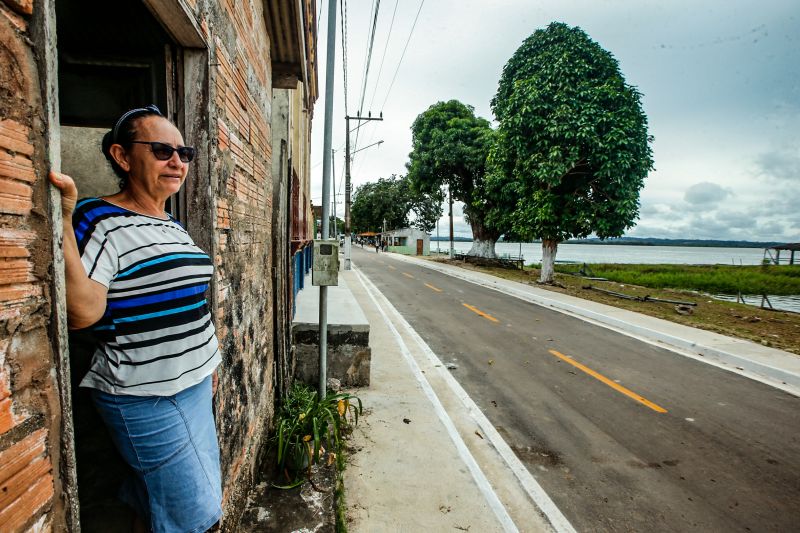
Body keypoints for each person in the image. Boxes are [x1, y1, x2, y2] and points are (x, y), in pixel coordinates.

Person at [49, 105, 222, 533]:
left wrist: (208, 365)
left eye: (185, 152)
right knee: (196, 512)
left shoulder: (173, 225)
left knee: (168, 495)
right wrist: (65, 221)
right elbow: (83, 312)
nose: (177, 162)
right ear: (122, 157)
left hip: (195, 383)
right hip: (146, 392)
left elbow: (192, 302)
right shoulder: (98, 219)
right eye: (163, 150)